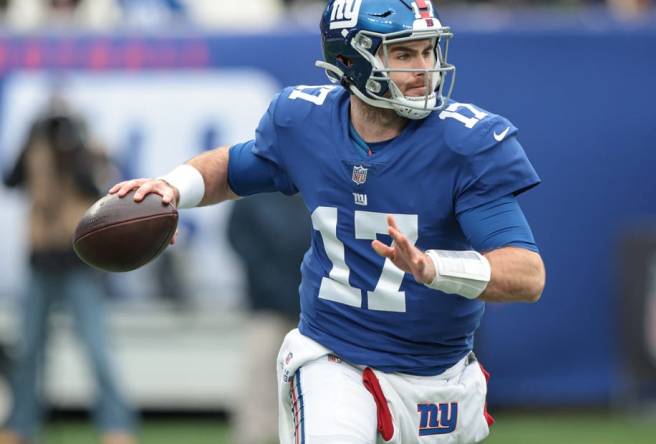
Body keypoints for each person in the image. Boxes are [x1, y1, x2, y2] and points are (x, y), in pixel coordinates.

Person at [111, 0, 546, 441]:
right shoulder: (306, 121)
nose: (423, 68)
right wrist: (172, 187)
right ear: (351, 61)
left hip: (438, 376)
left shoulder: (463, 143)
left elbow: (527, 274)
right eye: (403, 54)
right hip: (334, 359)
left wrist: (434, 268)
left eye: (427, 51)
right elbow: (232, 168)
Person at [0, 100, 136, 444]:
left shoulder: (87, 153)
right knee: (29, 350)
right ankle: (21, 424)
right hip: (40, 260)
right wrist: (32, 140)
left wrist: (76, 147)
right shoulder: (36, 151)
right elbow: (11, 180)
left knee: (96, 347)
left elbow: (96, 188)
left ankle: (115, 425)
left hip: (79, 262)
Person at [226, 194, 310, 444]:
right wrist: (267, 279)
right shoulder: (255, 192)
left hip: (313, 310)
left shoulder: (315, 184)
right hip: (267, 306)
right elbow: (237, 235)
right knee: (260, 382)